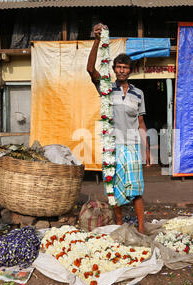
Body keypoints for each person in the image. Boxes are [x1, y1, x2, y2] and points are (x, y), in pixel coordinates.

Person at [86, 23, 150, 234]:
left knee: (136, 190)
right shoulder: (106, 88)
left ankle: (141, 226)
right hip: (111, 147)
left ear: (130, 71)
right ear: (114, 70)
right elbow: (90, 70)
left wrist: (147, 149)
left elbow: (141, 123)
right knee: (114, 189)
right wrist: (97, 41)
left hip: (131, 146)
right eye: (118, 67)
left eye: (125, 68)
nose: (122, 71)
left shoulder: (138, 93)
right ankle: (120, 225)